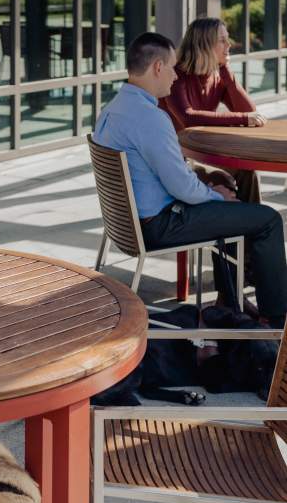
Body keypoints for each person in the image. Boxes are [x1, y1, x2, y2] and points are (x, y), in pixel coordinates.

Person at [93, 32, 287, 328]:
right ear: (157, 67)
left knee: (230, 210)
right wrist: (218, 196)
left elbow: (175, 179)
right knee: (267, 219)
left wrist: (212, 192)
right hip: (159, 225)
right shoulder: (150, 117)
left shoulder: (112, 110)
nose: (174, 76)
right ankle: (275, 321)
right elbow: (181, 187)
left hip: (128, 225)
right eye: (171, 67)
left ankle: (229, 302)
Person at [160, 16, 266, 204]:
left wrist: (227, 73)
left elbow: (249, 111)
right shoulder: (176, 75)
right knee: (223, 183)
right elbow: (188, 117)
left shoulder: (216, 76)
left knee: (247, 172)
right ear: (205, 45)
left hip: (199, 151)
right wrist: (243, 117)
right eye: (222, 40)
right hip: (173, 161)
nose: (229, 45)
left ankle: (254, 227)